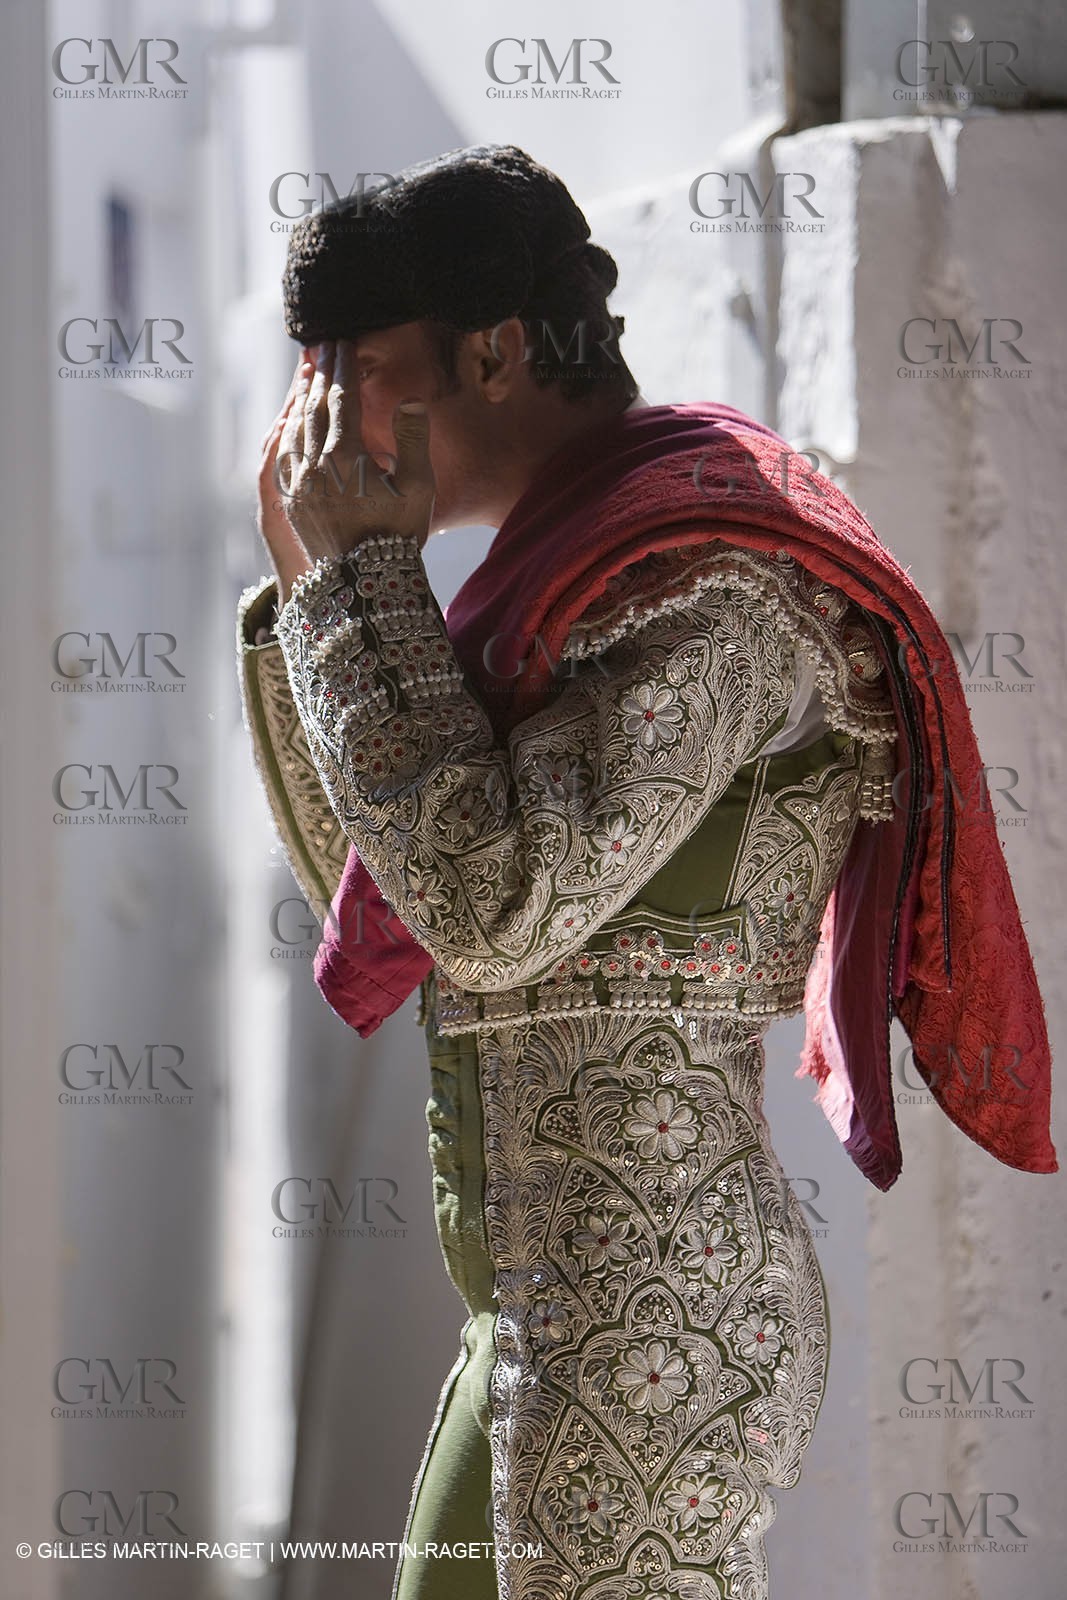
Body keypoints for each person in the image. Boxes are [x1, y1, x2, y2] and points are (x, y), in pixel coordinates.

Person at [237, 144, 1055, 1600]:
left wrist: (360, 590)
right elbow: (406, 892)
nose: (316, 422)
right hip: (540, 1320)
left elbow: (490, 911)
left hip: (652, 1337)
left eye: (347, 373)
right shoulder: (558, 580)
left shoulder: (719, 574)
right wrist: (318, 591)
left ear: (490, 353)